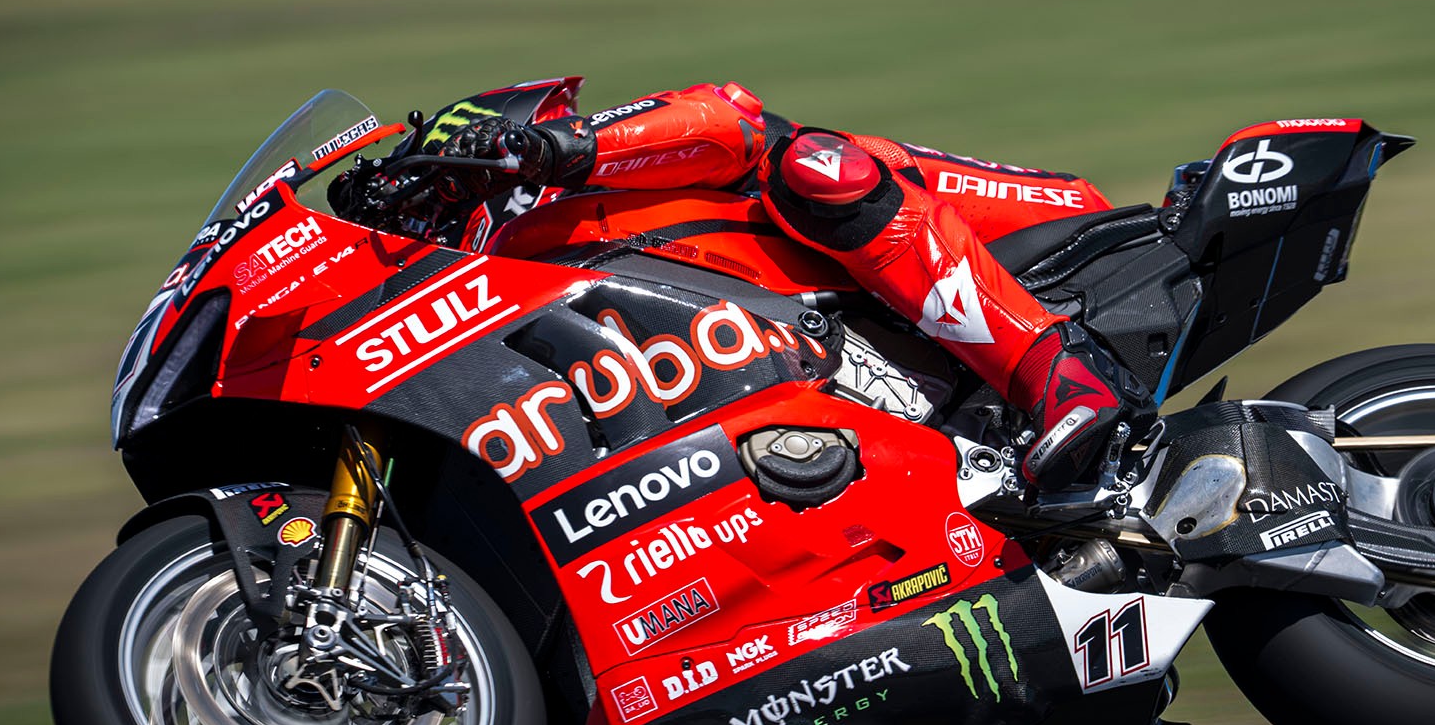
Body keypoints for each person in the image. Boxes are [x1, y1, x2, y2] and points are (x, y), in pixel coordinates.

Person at [397, 81, 1153, 490]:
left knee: (816, 166)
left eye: (434, 205)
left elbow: (735, 120)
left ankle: (1063, 381)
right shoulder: (523, 290)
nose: (423, 235)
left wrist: (566, 147)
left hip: (1006, 227)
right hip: (848, 359)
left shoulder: (584, 183)